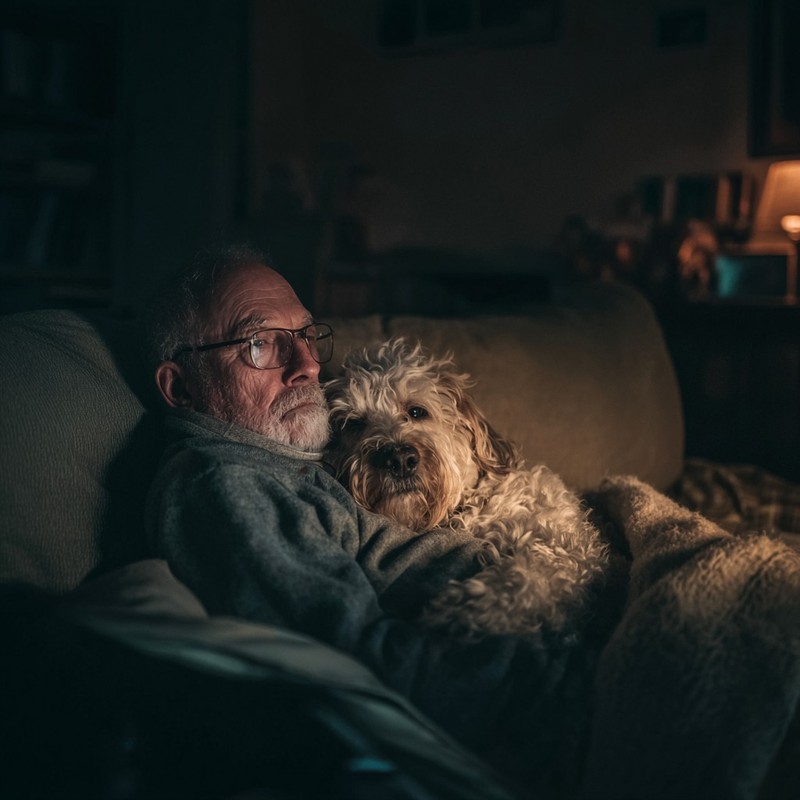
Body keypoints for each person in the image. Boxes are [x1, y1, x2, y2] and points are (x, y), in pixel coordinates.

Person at [145, 244, 800, 800]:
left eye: (306, 337)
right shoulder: (225, 482)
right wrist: (557, 682)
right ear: (179, 387)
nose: (307, 365)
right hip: (580, 692)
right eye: (260, 343)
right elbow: (361, 666)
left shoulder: (297, 458)